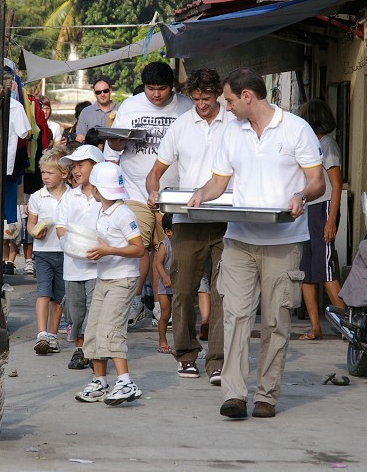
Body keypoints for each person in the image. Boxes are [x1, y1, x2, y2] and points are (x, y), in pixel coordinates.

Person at [189, 68, 325, 419]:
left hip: (284, 239)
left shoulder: (296, 128)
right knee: (235, 316)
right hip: (240, 238)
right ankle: (234, 394)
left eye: (230, 100)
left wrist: (301, 196)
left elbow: (317, 182)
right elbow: (219, 181)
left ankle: (267, 395)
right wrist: (199, 196)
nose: (227, 107)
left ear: (247, 96)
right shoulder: (231, 133)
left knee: (277, 319)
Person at [145, 68, 234, 383]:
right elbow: (155, 172)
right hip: (186, 219)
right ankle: (185, 355)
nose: (200, 104)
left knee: (225, 293)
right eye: (195, 99)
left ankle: (219, 360)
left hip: (230, 221)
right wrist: (153, 190)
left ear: (218, 95)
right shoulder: (181, 126)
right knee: (182, 290)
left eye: (206, 99)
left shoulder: (236, 124)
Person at [106, 62, 193, 327]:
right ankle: (133, 301)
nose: (155, 94)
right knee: (138, 246)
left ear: (173, 87)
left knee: (166, 251)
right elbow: (112, 153)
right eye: (150, 89)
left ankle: (161, 306)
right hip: (135, 189)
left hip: (177, 192)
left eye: (162, 89)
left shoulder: (187, 107)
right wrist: (115, 143)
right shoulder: (130, 106)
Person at [75, 162, 146, 406]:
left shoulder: (123, 213)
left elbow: (139, 249)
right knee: (93, 331)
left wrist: (108, 250)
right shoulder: (103, 212)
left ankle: (126, 381)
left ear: (95, 188)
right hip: (104, 278)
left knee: (111, 330)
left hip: (122, 279)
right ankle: (100, 381)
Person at [297, 99, 344, 340]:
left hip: (323, 209)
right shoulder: (311, 145)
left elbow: (336, 185)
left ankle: (347, 326)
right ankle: (315, 327)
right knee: (306, 271)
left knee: (325, 271)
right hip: (307, 209)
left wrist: (331, 220)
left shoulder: (328, 146)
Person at [57, 144, 105, 370]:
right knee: (75, 311)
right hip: (73, 265)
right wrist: (74, 245)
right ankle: (80, 347)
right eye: (73, 166)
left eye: (81, 165)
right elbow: (60, 228)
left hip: (98, 265)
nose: (76, 171)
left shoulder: (105, 197)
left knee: (94, 308)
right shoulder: (69, 197)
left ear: (96, 167)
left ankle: (86, 350)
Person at [27, 147, 70, 355]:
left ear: (64, 174)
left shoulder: (72, 196)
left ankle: (53, 335)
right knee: (43, 292)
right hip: (43, 252)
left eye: (50, 173)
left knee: (59, 297)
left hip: (65, 252)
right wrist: (35, 233)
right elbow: (31, 224)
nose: (45, 177)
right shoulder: (37, 196)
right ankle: (42, 333)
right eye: (43, 172)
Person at [153, 214, 174, 354]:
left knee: (180, 316)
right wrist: (165, 276)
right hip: (165, 286)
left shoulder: (183, 245)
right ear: (168, 231)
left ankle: (181, 341)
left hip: (178, 285)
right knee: (165, 315)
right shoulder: (164, 245)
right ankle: (162, 340)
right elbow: (158, 263)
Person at [76, 77, 118, 143]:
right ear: (95, 94)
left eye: (105, 91)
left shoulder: (121, 110)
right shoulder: (85, 113)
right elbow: (80, 137)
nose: (102, 94)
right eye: (98, 92)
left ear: (110, 91)